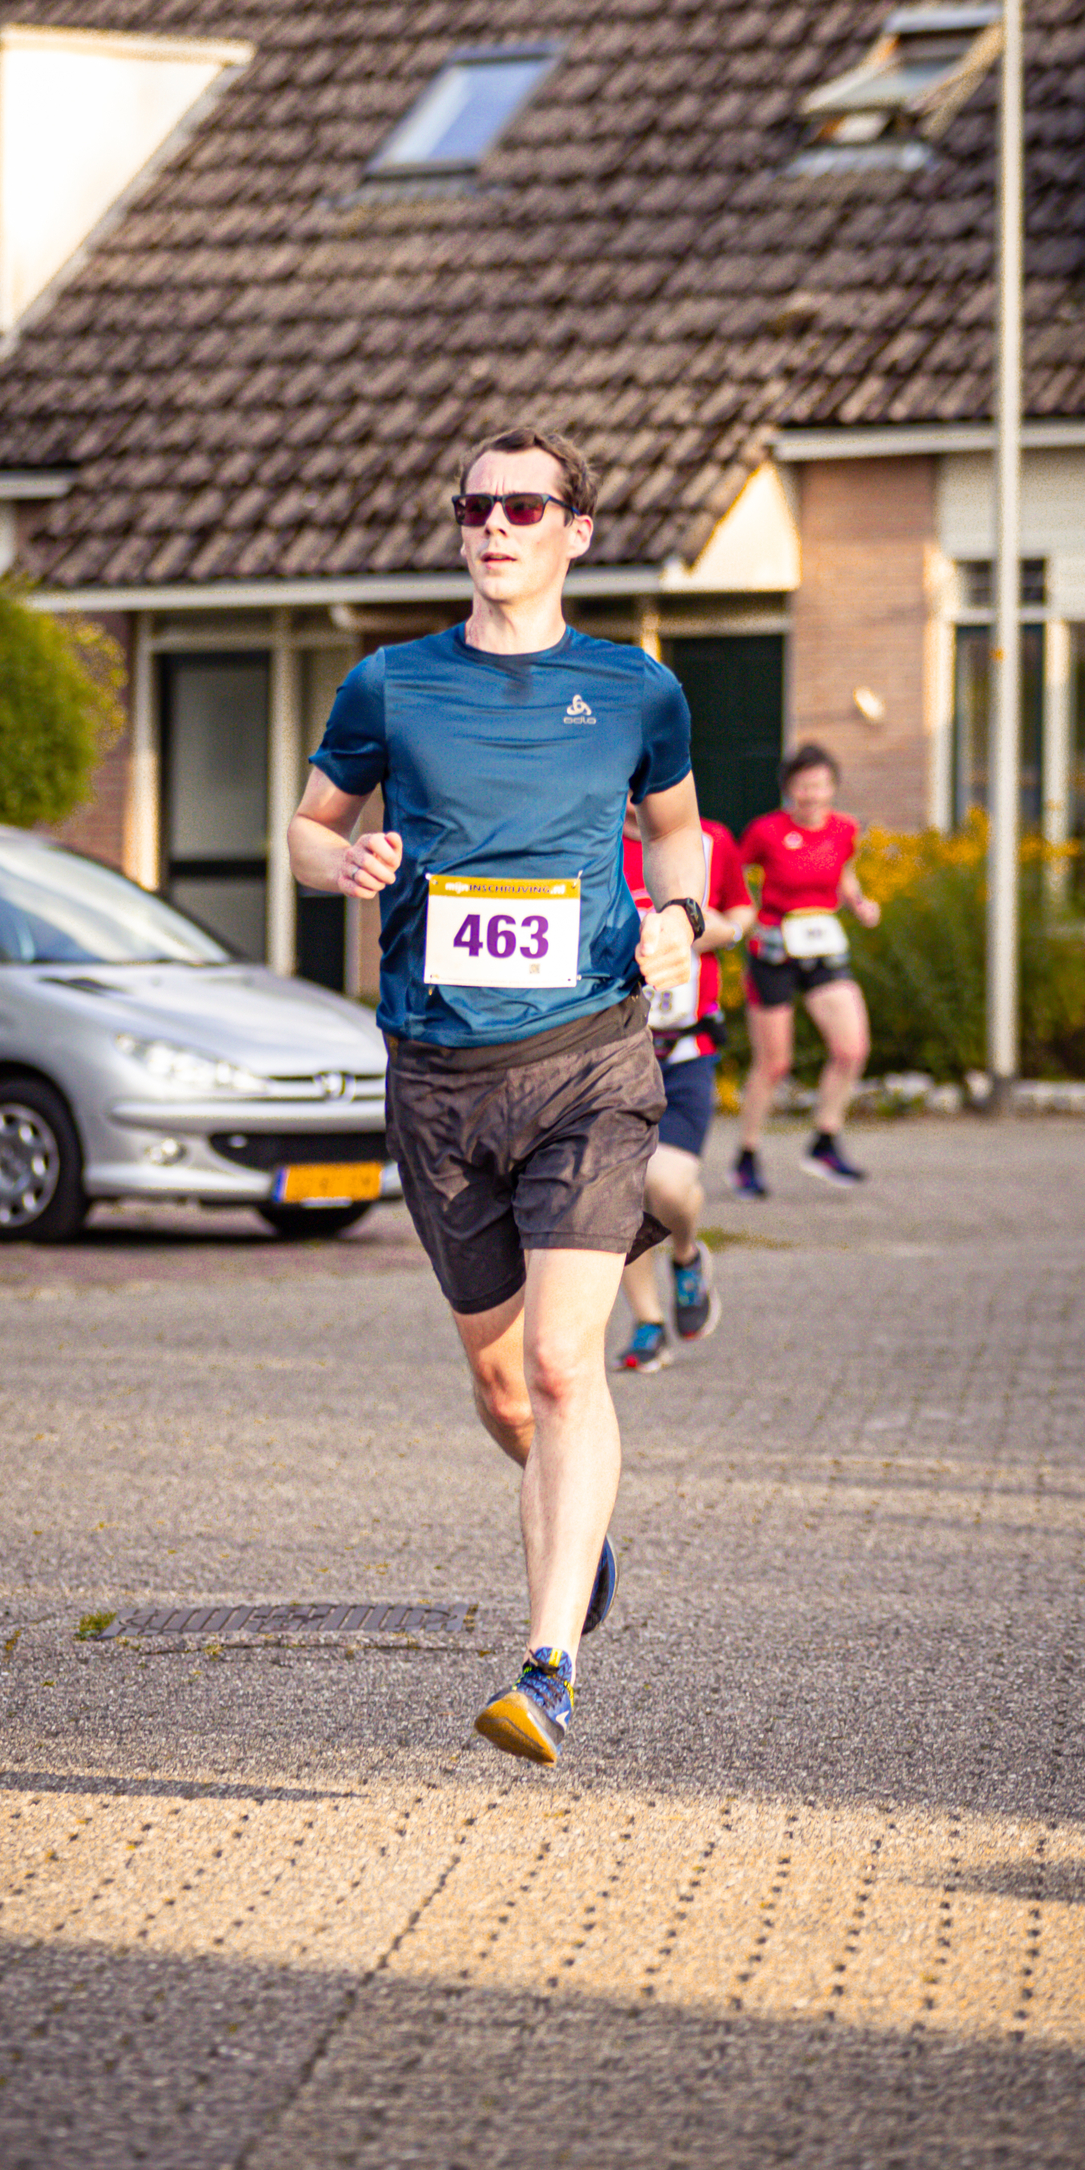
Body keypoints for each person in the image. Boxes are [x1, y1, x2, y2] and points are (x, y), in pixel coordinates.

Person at [289, 423, 706, 1767]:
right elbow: (305, 827)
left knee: (562, 1360)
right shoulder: (391, 685)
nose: (495, 525)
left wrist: (682, 915)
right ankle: (576, 1538)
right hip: (437, 1076)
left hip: (589, 1059)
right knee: (503, 1390)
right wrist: (339, 862)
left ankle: (547, 1664)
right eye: (476, 505)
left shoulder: (635, 688)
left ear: (577, 530)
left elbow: (677, 827)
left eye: (525, 506)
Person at [614, 801, 751, 1373]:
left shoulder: (711, 837)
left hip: (686, 1051)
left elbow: (741, 911)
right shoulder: (587, 839)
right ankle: (648, 1323)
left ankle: (689, 1255)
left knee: (665, 1185)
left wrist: (717, 930)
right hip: (614, 1053)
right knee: (611, 1198)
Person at [734, 743, 879, 1195]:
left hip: (823, 946)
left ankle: (824, 1139)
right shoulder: (766, 831)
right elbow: (733, 873)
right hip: (774, 950)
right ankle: (746, 1156)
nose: (811, 795)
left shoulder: (845, 829)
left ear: (832, 788)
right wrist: (747, 914)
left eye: (819, 785)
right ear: (789, 789)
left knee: (851, 1049)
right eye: (803, 786)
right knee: (775, 1064)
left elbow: (844, 872)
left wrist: (858, 901)